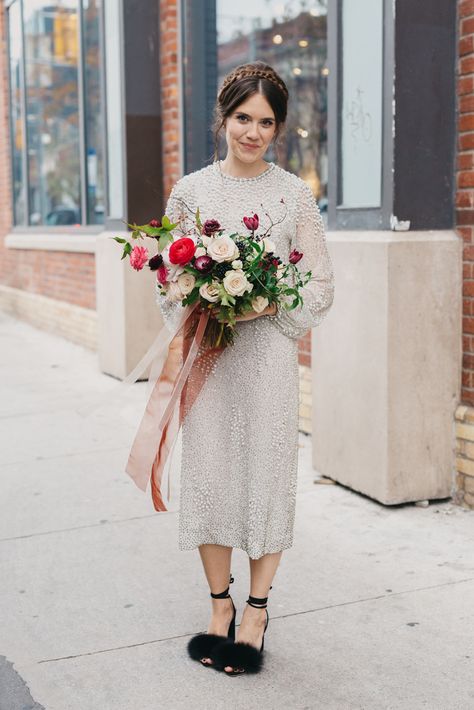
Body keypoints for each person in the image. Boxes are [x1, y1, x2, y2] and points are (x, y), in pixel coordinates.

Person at [156, 61, 335, 675]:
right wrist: (203, 297)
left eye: (265, 122)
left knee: (264, 477)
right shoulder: (191, 192)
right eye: (242, 118)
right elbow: (168, 281)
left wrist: (267, 303)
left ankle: (257, 610)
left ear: (278, 128)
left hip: (268, 365)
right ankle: (218, 607)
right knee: (210, 477)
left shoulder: (294, 195)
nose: (252, 132)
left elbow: (318, 288)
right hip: (211, 357)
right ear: (223, 118)